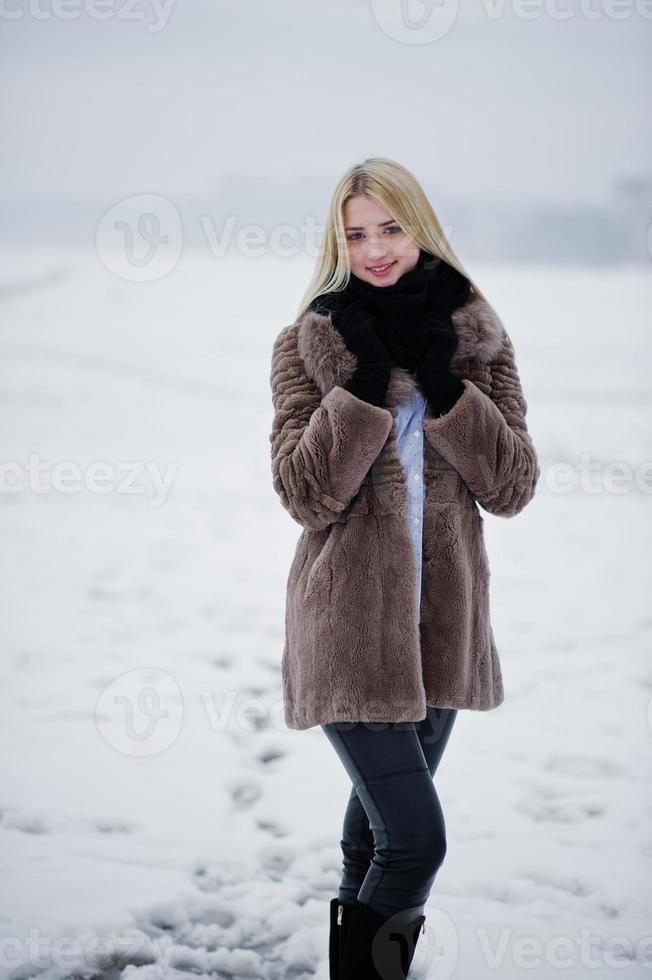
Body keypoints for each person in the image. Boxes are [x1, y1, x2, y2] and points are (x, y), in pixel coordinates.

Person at [268, 157, 540, 979]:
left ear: (420, 227)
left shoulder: (478, 339)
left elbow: (513, 486)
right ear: (336, 243)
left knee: (373, 841)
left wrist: (446, 392)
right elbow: (305, 495)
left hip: (443, 632)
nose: (375, 249)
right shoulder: (308, 344)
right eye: (355, 234)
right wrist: (354, 389)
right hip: (349, 632)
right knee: (418, 844)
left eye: (390, 227)